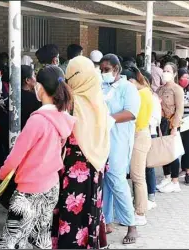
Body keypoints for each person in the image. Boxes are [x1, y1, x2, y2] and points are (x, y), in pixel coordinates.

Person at [0, 65, 75, 249]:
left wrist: (1, 175)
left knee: (10, 241)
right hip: (51, 186)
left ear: (40, 88)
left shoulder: (38, 120)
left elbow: (16, 155)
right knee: (41, 237)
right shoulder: (64, 117)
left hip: (29, 190)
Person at [50, 56, 110, 249]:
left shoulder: (70, 104)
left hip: (73, 172)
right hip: (96, 169)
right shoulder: (99, 102)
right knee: (91, 213)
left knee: (71, 216)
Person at [100, 54, 140, 244]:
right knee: (104, 182)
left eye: (106, 69)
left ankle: (131, 225)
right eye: (101, 69)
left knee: (117, 180)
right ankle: (106, 221)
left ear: (116, 69)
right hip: (102, 141)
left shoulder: (128, 88)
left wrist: (109, 119)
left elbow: (131, 113)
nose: (103, 73)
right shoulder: (102, 86)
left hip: (119, 141)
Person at [121, 64, 153, 226]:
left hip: (139, 135)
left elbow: (137, 120)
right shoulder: (145, 91)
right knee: (137, 176)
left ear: (132, 81)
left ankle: (140, 212)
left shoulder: (141, 95)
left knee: (138, 176)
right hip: (141, 134)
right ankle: (138, 209)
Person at [156, 62, 184, 193]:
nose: (165, 73)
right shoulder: (160, 89)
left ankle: (175, 180)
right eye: (164, 70)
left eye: (168, 71)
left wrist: (175, 127)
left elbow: (179, 110)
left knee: (172, 152)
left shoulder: (177, 89)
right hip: (160, 124)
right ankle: (167, 176)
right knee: (163, 151)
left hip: (171, 123)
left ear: (174, 74)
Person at [21, 65, 42, 130]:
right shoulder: (35, 99)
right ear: (27, 80)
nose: (35, 78)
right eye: (34, 75)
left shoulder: (12, 95)